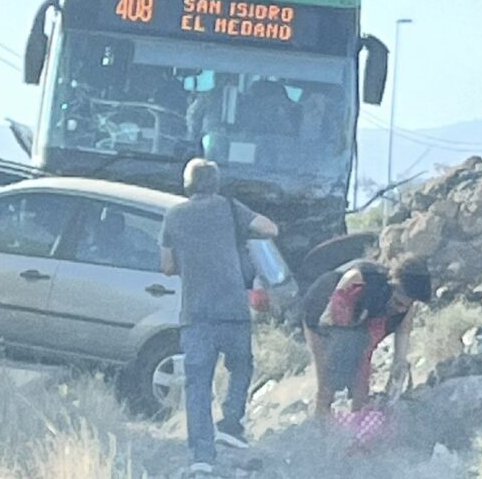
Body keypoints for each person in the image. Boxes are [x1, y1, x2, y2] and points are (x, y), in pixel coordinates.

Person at [159, 158, 278, 476]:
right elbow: (269, 228)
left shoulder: (173, 215)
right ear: (215, 182)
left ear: (186, 184)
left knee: (197, 384)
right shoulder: (229, 208)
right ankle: (229, 423)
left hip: (195, 315)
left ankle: (202, 457)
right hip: (232, 312)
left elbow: (168, 266)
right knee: (241, 366)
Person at [302, 255, 432, 417]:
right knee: (327, 384)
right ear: (392, 288)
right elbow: (329, 322)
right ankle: (320, 422)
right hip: (321, 313)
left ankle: (358, 427)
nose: (400, 309)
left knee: (361, 390)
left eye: (406, 306)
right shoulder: (359, 280)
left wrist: (394, 384)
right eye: (398, 302)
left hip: (360, 324)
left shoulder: (405, 310)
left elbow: (399, 358)